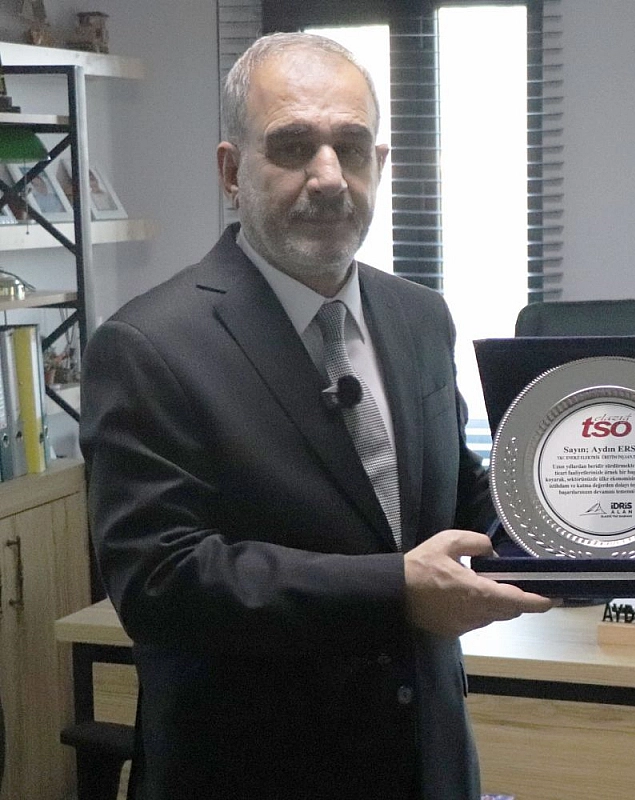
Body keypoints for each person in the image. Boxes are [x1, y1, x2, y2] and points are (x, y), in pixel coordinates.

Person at [79, 33, 553, 800]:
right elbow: (160, 581)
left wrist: (608, 530)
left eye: (351, 147)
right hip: (252, 772)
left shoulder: (419, 316)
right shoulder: (148, 346)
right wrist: (397, 588)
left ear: (380, 164)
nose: (329, 176)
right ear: (231, 172)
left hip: (428, 763)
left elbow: (453, 495)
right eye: (294, 146)